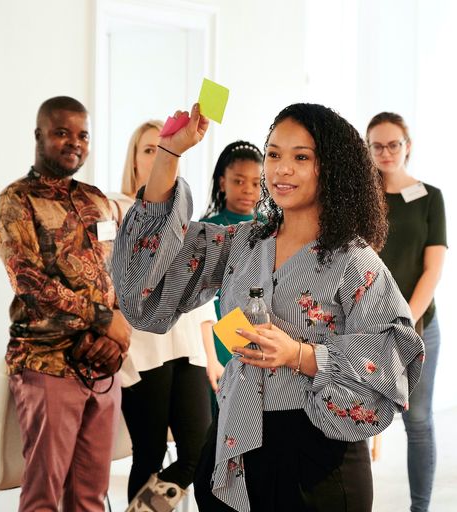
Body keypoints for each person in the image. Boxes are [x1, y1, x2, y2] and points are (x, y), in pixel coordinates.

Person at [112, 102, 425, 512]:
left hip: (317, 459)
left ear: (331, 168)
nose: (282, 169)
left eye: (301, 157)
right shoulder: (242, 243)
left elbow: (395, 355)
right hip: (234, 448)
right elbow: (150, 272)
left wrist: (302, 355)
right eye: (274, 154)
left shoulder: (354, 260)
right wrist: (169, 154)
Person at [0, 96, 131, 511]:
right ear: (39, 136)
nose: (74, 142)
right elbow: (31, 284)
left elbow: (119, 272)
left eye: (82, 134)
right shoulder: (15, 202)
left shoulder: (98, 201)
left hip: (102, 364)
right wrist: (106, 320)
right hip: (47, 364)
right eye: (62, 132)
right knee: (44, 498)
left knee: (90, 496)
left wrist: (116, 330)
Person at [108, 120, 220, 512]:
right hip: (141, 349)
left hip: (186, 344)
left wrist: (211, 356)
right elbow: (109, 278)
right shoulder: (116, 208)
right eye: (148, 150)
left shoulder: (183, 213)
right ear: (135, 161)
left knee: (197, 448)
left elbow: (199, 284)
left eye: (164, 149)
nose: (157, 157)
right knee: (150, 452)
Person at [366, 112, 447, 512]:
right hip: (363, 328)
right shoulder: (360, 198)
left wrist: (406, 324)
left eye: (393, 144)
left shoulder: (430, 197)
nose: (385, 152)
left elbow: (433, 269)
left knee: (417, 422)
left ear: (407, 145)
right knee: (352, 421)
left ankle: (420, 508)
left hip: (419, 324)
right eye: (377, 145)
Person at [199, 141, 263, 370]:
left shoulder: (272, 227)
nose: (248, 189)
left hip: (261, 319)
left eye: (256, 183)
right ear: (223, 182)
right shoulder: (207, 227)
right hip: (218, 320)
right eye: (239, 181)